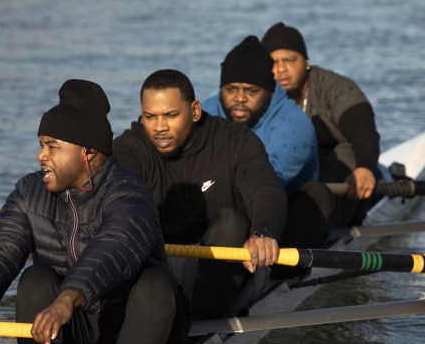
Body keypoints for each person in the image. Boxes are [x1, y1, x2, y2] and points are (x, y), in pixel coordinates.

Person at [0, 79, 188, 344]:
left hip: (136, 336)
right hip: (74, 331)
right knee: (35, 279)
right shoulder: (29, 192)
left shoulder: (129, 194)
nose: (40, 156)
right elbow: (2, 248)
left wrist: (67, 298)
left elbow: (112, 246)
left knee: (157, 285)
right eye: (41, 145)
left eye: (52, 146)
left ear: (87, 151)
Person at [113, 69, 286, 320]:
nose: (160, 127)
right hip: (162, 265)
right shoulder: (128, 150)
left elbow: (266, 191)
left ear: (194, 111)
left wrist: (264, 233)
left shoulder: (236, 141)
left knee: (231, 222)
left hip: (228, 262)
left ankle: (196, 327)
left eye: (170, 115)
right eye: (150, 117)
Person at [201, 35, 333, 248]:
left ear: (269, 91)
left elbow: (262, 182)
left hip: (282, 223)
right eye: (231, 89)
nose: (240, 98)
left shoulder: (294, 124)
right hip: (223, 215)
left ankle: (285, 273)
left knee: (316, 194)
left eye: (251, 91)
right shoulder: (205, 113)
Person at [262, 22, 381, 228]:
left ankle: (326, 228)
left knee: (347, 153)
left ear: (306, 61)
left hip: (340, 175)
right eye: (273, 62)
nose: (281, 69)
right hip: (292, 176)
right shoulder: (258, 96)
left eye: (290, 60)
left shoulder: (335, 87)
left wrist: (365, 166)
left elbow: (362, 126)